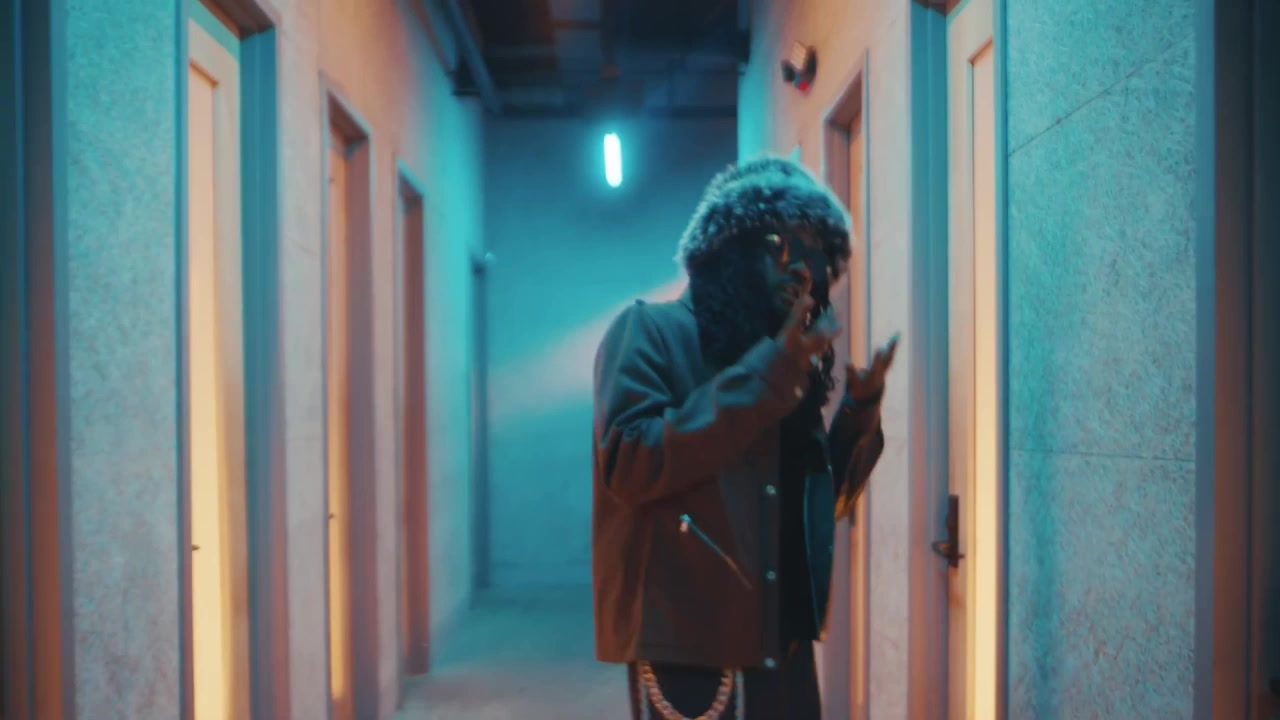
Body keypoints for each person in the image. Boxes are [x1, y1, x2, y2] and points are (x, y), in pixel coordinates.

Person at [591, 156, 899, 720]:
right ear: (729, 252)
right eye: (779, 245)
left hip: (782, 643)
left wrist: (859, 414)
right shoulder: (650, 331)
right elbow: (630, 462)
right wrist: (768, 376)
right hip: (692, 650)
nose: (800, 269)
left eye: (812, 255)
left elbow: (817, 507)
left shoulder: (777, 363)